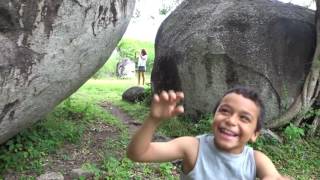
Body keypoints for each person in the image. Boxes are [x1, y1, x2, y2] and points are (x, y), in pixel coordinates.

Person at [127, 87, 291, 179]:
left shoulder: (256, 160)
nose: (231, 121)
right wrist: (153, 120)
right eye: (225, 111)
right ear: (214, 117)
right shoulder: (192, 147)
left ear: (255, 134)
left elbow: (275, 177)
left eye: (244, 118)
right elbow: (138, 154)